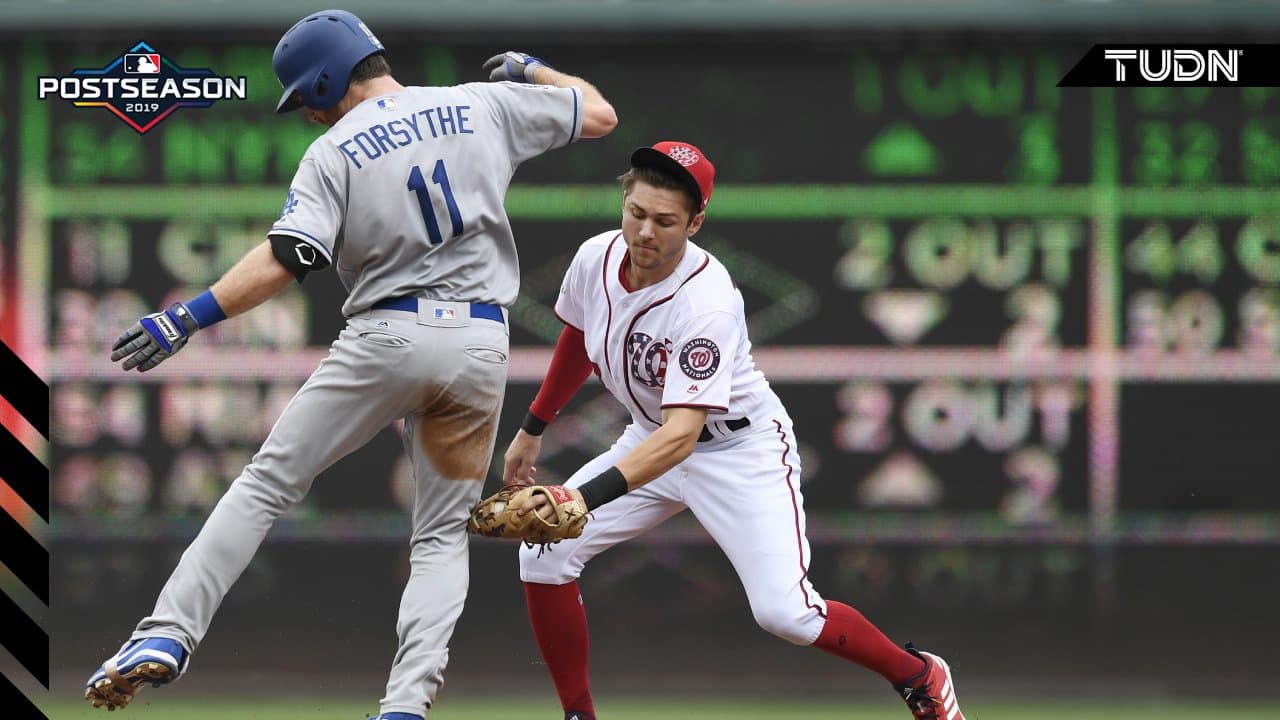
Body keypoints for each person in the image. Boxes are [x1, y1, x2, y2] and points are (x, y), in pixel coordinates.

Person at [83, 9, 616, 720]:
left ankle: (168, 635)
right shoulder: (480, 102)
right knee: (439, 537)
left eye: (306, 94)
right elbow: (603, 115)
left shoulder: (335, 150)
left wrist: (188, 315)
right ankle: (405, 706)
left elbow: (289, 257)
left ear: (330, 78)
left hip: (387, 337)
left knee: (266, 484)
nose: (306, 110)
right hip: (481, 345)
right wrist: (532, 70)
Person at [500, 142, 967, 720]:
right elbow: (578, 334)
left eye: (665, 221)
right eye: (637, 212)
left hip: (737, 451)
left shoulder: (706, 303)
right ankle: (578, 716)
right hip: (650, 438)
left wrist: (581, 496)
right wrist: (533, 427)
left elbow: (682, 438)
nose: (645, 231)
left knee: (787, 614)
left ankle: (919, 674)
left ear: (695, 222)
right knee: (543, 555)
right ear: (624, 200)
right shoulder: (595, 257)